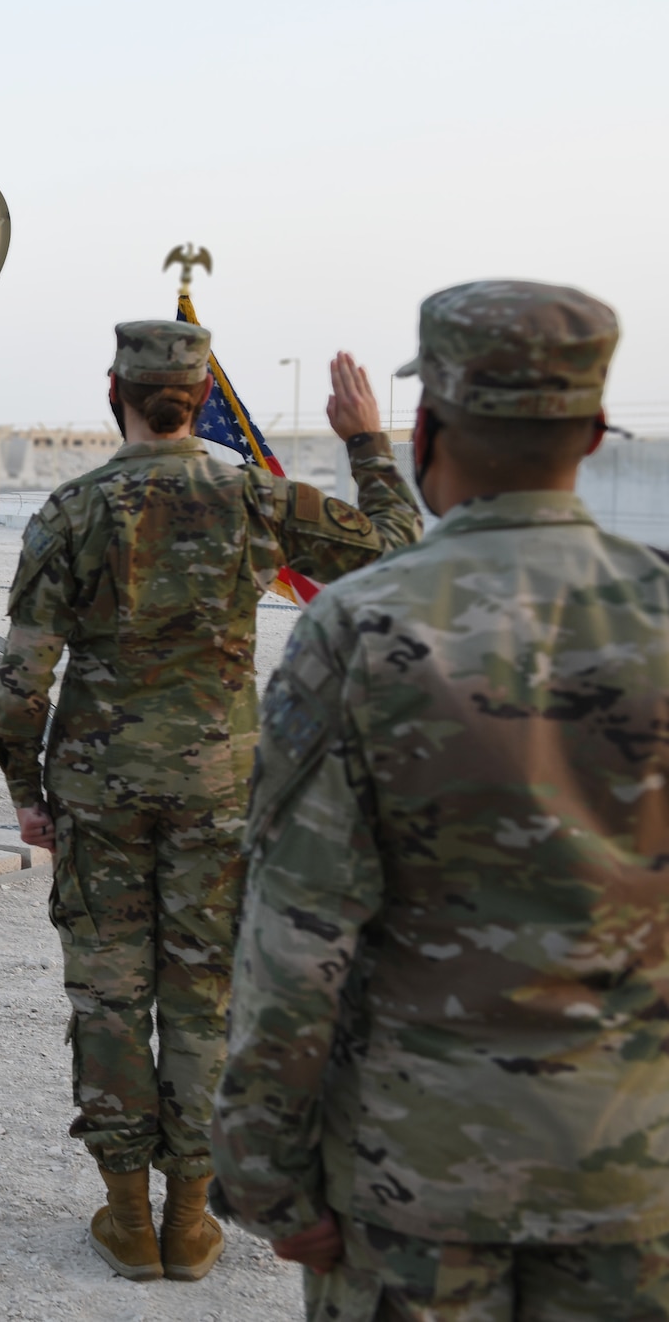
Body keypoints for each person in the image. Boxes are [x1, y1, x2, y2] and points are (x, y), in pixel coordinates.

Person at [212, 282, 669, 1319]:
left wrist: (263, 1173)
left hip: (409, 1184)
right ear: (592, 432)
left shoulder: (358, 631)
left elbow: (293, 936)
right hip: (632, 1178)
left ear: (425, 428)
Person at [0, 320, 421, 1284]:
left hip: (99, 794)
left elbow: (22, 686)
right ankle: (189, 1218)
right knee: (203, 998)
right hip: (219, 791)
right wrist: (367, 443)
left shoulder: (70, 510)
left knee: (107, 995)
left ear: (116, 395)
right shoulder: (253, 497)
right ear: (196, 397)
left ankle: (125, 1216)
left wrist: (26, 792)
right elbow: (397, 550)